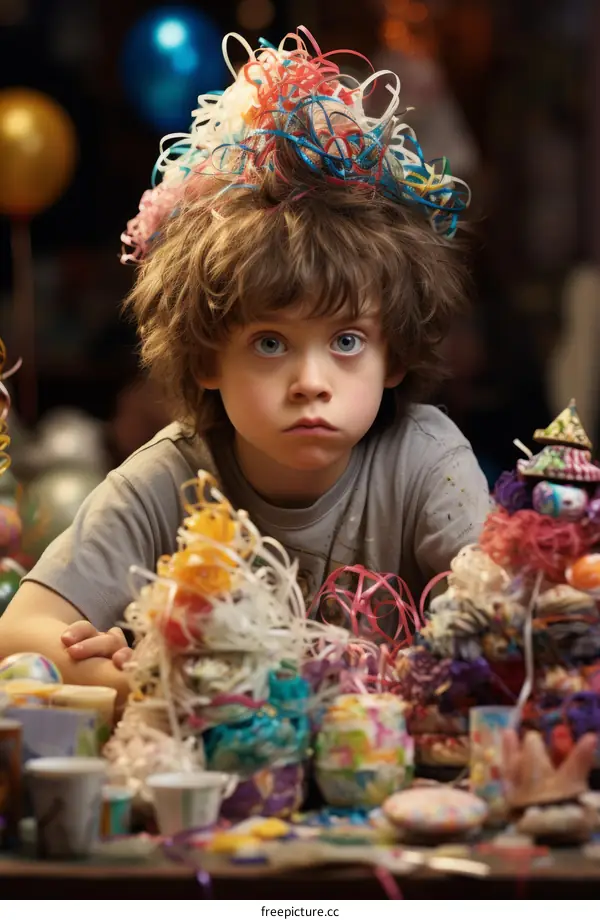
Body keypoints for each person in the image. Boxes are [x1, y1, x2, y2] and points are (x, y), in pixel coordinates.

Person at [0, 28, 490, 705]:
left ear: (395, 356)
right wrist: (137, 674)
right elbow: (20, 631)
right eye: (269, 343)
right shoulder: (169, 478)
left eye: (347, 342)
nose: (311, 381)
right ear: (206, 358)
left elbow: (501, 615)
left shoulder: (424, 458)